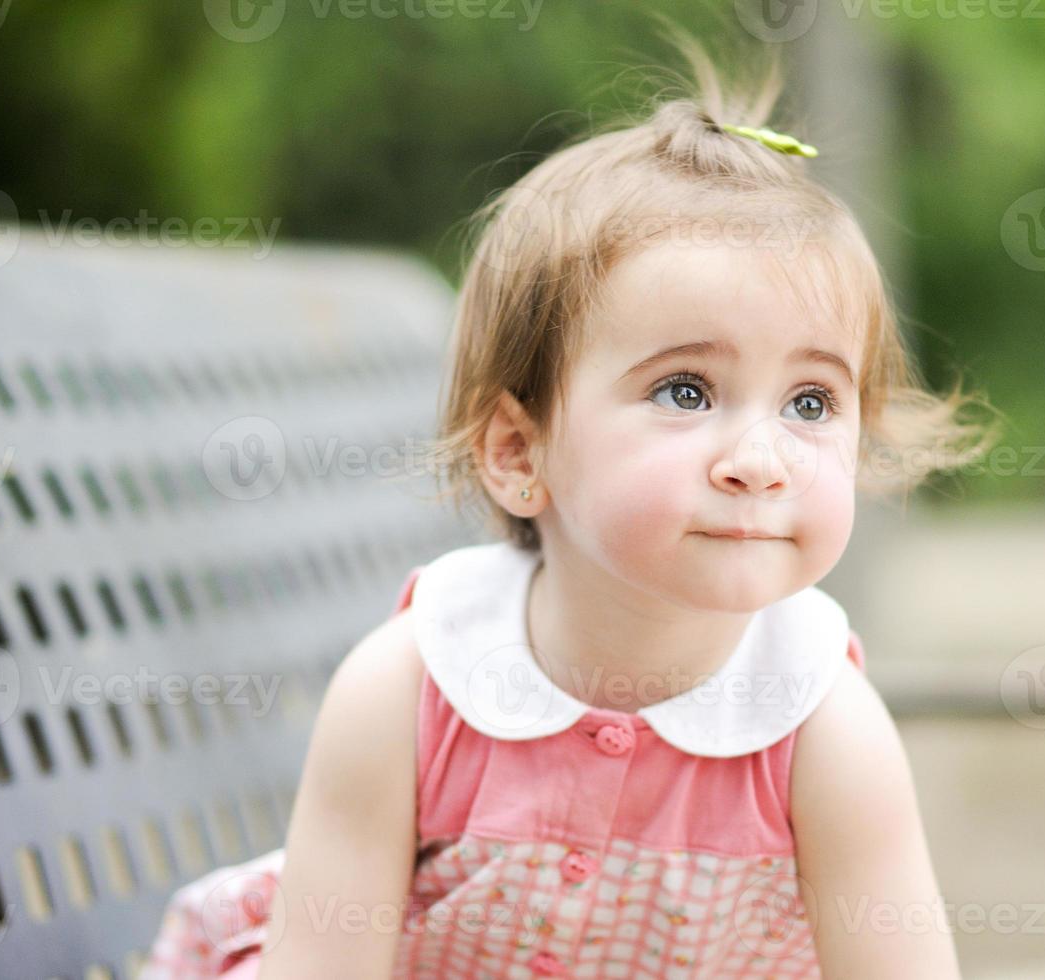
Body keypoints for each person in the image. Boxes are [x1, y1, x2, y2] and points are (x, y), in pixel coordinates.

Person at [143, 19, 993, 979]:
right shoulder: (414, 691)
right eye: (686, 391)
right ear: (518, 451)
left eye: (810, 401)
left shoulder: (821, 730)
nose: (761, 460)